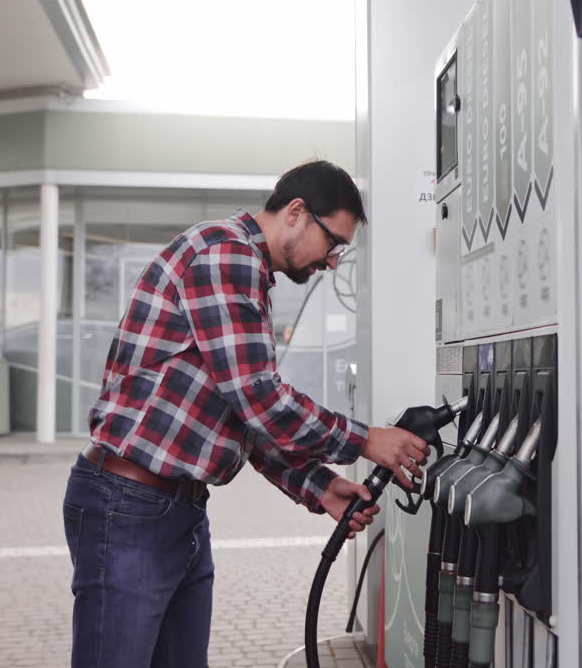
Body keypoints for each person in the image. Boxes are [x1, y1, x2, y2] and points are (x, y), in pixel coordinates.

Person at [61, 159, 428, 667]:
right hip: (129, 506)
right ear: (296, 212)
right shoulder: (225, 255)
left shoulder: (246, 270)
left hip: (175, 510)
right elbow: (262, 400)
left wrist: (317, 486)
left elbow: (241, 417)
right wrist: (366, 440)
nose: (332, 261)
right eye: (333, 242)